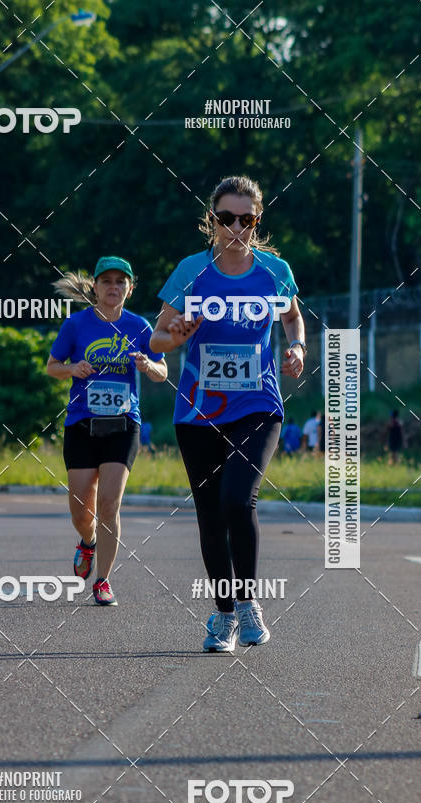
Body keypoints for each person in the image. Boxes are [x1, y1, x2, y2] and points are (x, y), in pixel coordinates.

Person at [150, 174, 306, 652]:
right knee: (209, 513)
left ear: (257, 221)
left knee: (238, 500)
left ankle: (248, 603)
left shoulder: (273, 270)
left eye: (245, 218)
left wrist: (296, 345)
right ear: (212, 220)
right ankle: (223, 615)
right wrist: (175, 335)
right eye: (226, 218)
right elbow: (156, 340)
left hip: (257, 404)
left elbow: (292, 315)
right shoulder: (191, 271)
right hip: (198, 411)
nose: (235, 226)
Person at [47, 256, 167, 606]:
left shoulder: (140, 327)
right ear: (95, 287)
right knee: (81, 511)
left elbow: (163, 372)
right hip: (82, 423)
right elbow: (52, 367)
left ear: (130, 288)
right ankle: (88, 542)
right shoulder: (75, 325)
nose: (113, 287)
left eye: (121, 282)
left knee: (110, 503)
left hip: (123, 423)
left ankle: (103, 580)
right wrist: (73, 369)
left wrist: (149, 365)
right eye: (107, 281)